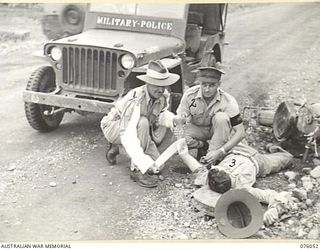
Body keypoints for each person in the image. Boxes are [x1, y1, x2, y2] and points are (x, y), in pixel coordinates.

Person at [176, 139, 297, 225]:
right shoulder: (242, 189)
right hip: (259, 162)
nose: (216, 169)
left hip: (236, 148)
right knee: (288, 158)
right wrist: (274, 211)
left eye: (216, 169)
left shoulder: (208, 176)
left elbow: (193, 164)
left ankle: (269, 146)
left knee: (233, 131)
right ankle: (272, 147)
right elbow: (271, 196)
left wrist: (183, 152)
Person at [100, 60, 179, 188]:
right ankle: (136, 171)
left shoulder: (163, 96)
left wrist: (174, 121)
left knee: (159, 165)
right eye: (156, 85)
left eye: (163, 84)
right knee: (142, 122)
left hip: (138, 129)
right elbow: (128, 135)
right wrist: (142, 163)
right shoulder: (136, 100)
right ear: (147, 83)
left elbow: (161, 115)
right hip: (114, 127)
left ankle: (117, 148)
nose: (160, 89)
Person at [176, 66, 245, 162]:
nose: (207, 89)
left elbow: (240, 132)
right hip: (197, 129)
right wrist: (180, 120)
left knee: (221, 118)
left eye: (212, 85)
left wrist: (221, 151)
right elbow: (180, 117)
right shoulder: (190, 94)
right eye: (204, 84)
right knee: (176, 141)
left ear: (219, 84)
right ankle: (202, 145)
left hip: (217, 132)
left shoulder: (228, 101)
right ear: (199, 83)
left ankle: (212, 154)